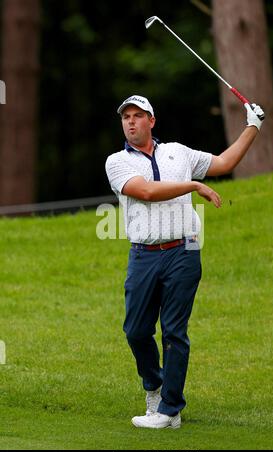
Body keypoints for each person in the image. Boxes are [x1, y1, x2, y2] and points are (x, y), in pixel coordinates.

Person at [105, 94, 264, 429]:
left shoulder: (178, 152)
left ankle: (170, 409)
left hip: (184, 252)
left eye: (138, 115)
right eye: (126, 117)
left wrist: (252, 127)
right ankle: (155, 387)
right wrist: (193, 185)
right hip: (144, 256)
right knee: (136, 331)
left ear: (152, 121)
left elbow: (223, 163)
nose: (131, 121)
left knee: (175, 331)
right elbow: (145, 192)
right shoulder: (117, 161)